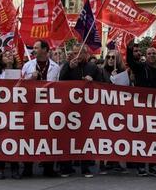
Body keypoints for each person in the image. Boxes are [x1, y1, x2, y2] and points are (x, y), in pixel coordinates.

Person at [58, 45, 100, 178]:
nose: (76, 55)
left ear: (85, 54)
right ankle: (66, 167)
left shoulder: (93, 68)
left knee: (85, 138)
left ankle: (86, 167)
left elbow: (103, 85)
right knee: (67, 138)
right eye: (74, 52)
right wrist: (69, 67)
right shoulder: (67, 65)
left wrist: (93, 81)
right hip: (69, 108)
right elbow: (61, 81)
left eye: (79, 53)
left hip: (86, 109)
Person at [126, 41, 156, 177]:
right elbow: (131, 62)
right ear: (146, 55)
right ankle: (141, 166)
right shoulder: (140, 67)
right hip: (142, 108)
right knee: (141, 138)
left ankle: (154, 166)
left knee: (155, 139)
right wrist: (129, 48)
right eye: (149, 54)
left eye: (154, 54)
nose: (151, 56)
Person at [20, 40, 60, 177]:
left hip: (49, 106)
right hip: (31, 106)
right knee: (29, 136)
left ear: (44, 49)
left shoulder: (55, 67)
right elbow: (19, 85)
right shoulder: (27, 66)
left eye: (36, 48)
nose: (34, 50)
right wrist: (30, 79)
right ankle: (27, 168)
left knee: (49, 137)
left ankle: (49, 168)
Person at [0, 49, 21, 179]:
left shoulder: (20, 73)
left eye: (10, 55)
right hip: (0, 111)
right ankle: (0, 169)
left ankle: (15, 169)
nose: (8, 56)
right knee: (0, 139)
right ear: (1, 59)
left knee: (14, 140)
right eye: (5, 55)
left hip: (15, 110)